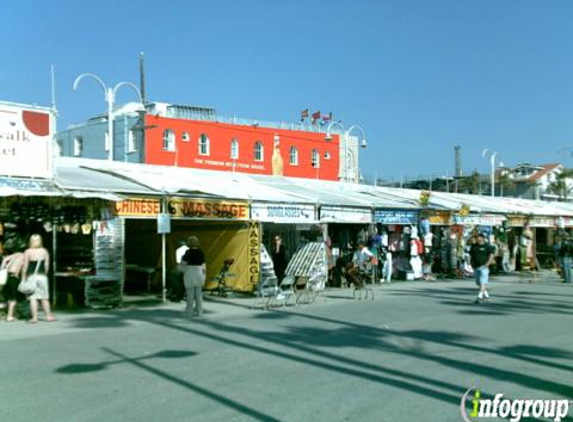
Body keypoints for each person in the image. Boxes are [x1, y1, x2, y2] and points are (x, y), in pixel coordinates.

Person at [22, 234, 55, 323]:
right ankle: (48, 316)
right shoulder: (44, 251)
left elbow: (25, 267)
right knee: (44, 297)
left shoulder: (27, 252)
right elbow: (47, 266)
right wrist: (45, 273)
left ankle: (34, 317)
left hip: (31, 276)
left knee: (33, 298)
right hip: (42, 276)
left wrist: (23, 278)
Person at [179, 236, 206, 318]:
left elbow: (183, 264)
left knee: (190, 294)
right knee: (198, 295)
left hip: (190, 273)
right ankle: (199, 312)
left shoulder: (188, 252)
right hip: (199, 272)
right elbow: (204, 265)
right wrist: (204, 275)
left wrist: (180, 269)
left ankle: (189, 312)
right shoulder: (201, 252)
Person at [1, 241, 25, 321]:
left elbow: (3, 263)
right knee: (14, 298)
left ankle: (13, 314)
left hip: (7, 277)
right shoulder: (23, 256)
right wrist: (18, 275)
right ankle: (10, 316)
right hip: (14, 277)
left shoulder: (11, 256)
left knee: (9, 297)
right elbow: (21, 266)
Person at [469, 233, 495, 304]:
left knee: (483, 281)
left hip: (484, 266)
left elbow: (491, 255)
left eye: (479, 238)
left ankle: (479, 297)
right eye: (477, 238)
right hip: (475, 266)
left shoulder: (487, 246)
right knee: (479, 282)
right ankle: (486, 296)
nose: (478, 239)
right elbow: (471, 255)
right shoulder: (474, 246)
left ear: (483, 238)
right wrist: (470, 263)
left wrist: (488, 263)